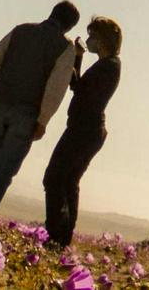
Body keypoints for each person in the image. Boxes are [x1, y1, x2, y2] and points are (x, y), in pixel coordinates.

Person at [0, 0, 82, 224]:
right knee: (4, 171)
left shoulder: (21, 30)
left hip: (0, 103)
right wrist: (43, 120)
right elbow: (56, 88)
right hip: (27, 113)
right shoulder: (66, 47)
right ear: (70, 26)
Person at [42, 16, 121, 249]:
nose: (89, 40)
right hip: (86, 130)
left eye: (92, 36)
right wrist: (78, 57)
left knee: (54, 178)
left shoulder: (109, 67)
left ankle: (57, 235)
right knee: (67, 181)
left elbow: (79, 90)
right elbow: (78, 87)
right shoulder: (108, 65)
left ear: (103, 39)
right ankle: (61, 237)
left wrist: (78, 59)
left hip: (84, 130)